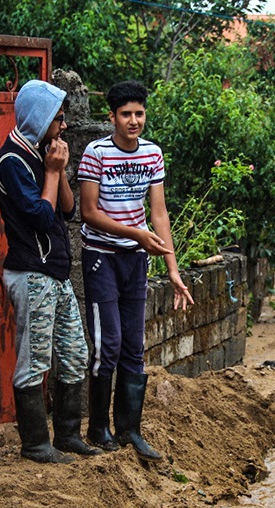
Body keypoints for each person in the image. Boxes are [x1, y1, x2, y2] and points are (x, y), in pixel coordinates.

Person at [78, 80, 193, 461]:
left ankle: (130, 430)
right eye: (125, 114)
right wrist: (135, 233)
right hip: (101, 258)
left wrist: (172, 268)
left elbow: (158, 213)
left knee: (133, 346)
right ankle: (98, 428)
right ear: (111, 117)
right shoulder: (96, 153)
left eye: (139, 113)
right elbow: (89, 213)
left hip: (136, 259)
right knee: (107, 344)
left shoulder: (152, 154)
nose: (133, 120)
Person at [0, 80, 100, 462]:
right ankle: (36, 444)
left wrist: (60, 168)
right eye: (58, 118)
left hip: (55, 274)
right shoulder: (11, 162)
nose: (64, 126)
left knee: (74, 353)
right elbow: (39, 217)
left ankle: (68, 435)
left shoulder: (41, 154)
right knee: (34, 360)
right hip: (31, 274)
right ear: (39, 119)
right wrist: (52, 173)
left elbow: (67, 211)